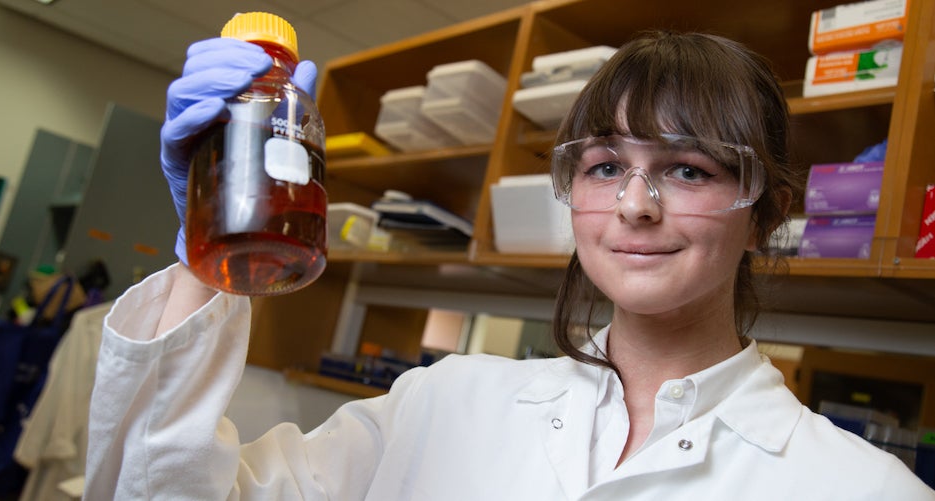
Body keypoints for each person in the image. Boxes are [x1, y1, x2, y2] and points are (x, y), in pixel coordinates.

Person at [83, 31, 935, 500]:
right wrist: (209, 231)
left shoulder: (862, 490)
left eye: (688, 168)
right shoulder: (441, 401)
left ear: (764, 215)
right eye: (604, 166)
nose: (635, 205)